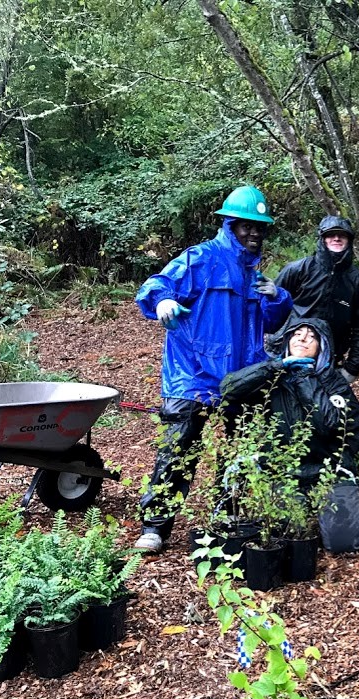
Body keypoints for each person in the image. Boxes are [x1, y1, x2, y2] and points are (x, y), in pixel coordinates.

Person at [134, 185, 293, 553]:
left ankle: (227, 517)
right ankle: (155, 526)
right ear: (230, 224)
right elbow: (156, 286)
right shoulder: (200, 259)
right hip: (193, 374)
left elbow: (271, 325)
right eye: (246, 226)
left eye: (259, 227)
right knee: (178, 450)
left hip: (242, 376)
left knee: (239, 451)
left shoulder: (255, 273)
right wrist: (164, 302)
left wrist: (278, 297)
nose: (253, 233)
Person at [220, 317, 359, 487]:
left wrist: (305, 377)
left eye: (312, 336)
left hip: (330, 469)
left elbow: (328, 425)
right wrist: (275, 367)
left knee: (342, 513)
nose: (303, 338)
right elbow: (228, 389)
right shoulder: (272, 375)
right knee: (285, 511)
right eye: (297, 334)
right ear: (288, 340)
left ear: (322, 346)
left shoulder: (334, 382)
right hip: (283, 469)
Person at [274, 216, 359, 384]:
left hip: (330, 363)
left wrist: (353, 368)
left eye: (342, 235)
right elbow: (271, 308)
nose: (336, 238)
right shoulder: (298, 270)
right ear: (322, 239)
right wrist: (272, 347)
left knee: (323, 409)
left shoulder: (357, 280)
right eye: (330, 234)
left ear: (349, 240)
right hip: (290, 355)